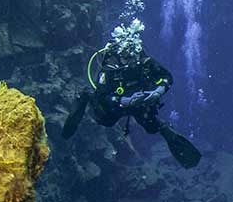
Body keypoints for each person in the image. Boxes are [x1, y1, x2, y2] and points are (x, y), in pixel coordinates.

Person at [61, 31, 201, 168]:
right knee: (105, 121)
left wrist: (158, 91)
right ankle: (85, 97)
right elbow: (103, 95)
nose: (132, 60)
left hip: (139, 103)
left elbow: (167, 76)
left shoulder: (145, 62)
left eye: (134, 55)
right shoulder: (111, 66)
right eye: (127, 56)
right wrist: (124, 101)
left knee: (151, 126)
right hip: (116, 103)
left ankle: (168, 133)